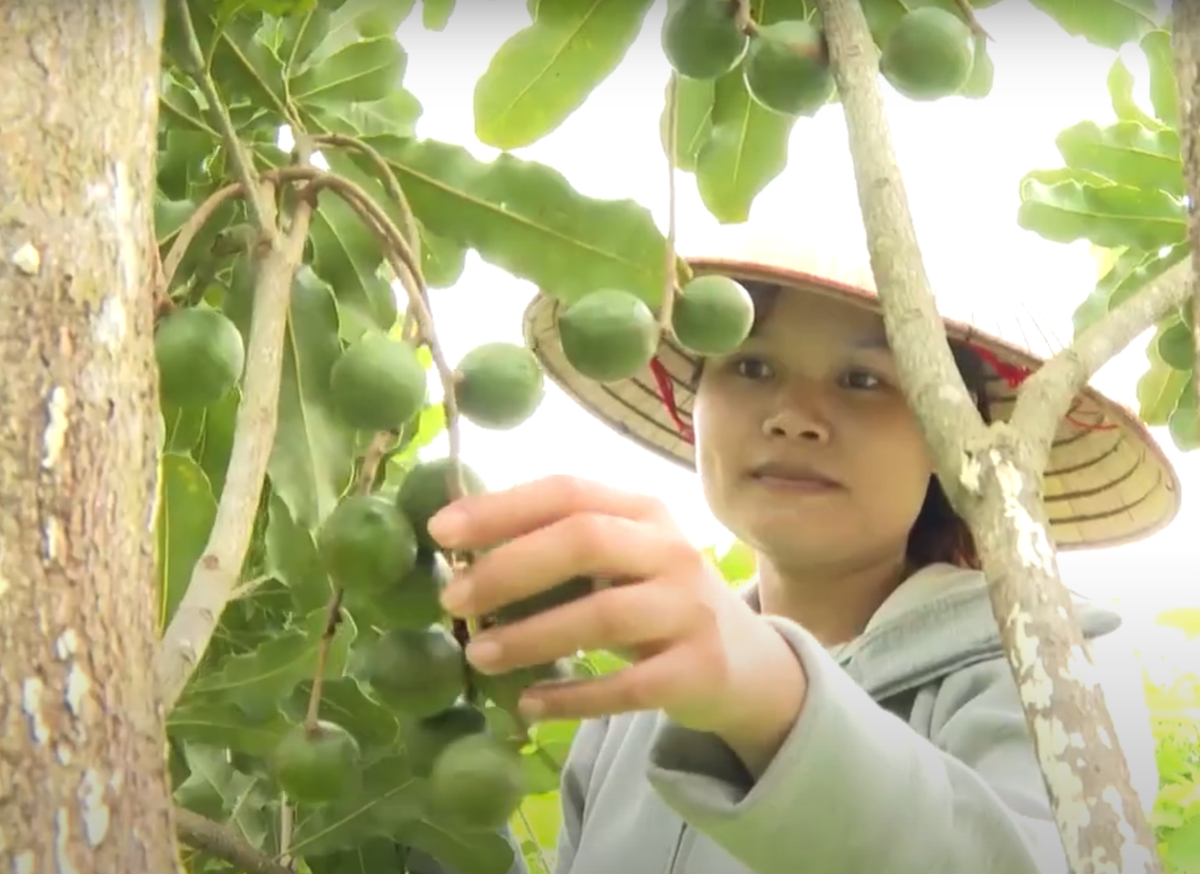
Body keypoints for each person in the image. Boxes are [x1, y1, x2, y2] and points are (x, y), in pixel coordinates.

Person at [412, 241, 1177, 874]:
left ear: (952, 439)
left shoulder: (1057, 671)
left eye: (864, 379)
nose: (795, 417)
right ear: (694, 402)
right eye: (750, 365)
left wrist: (774, 702)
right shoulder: (627, 721)